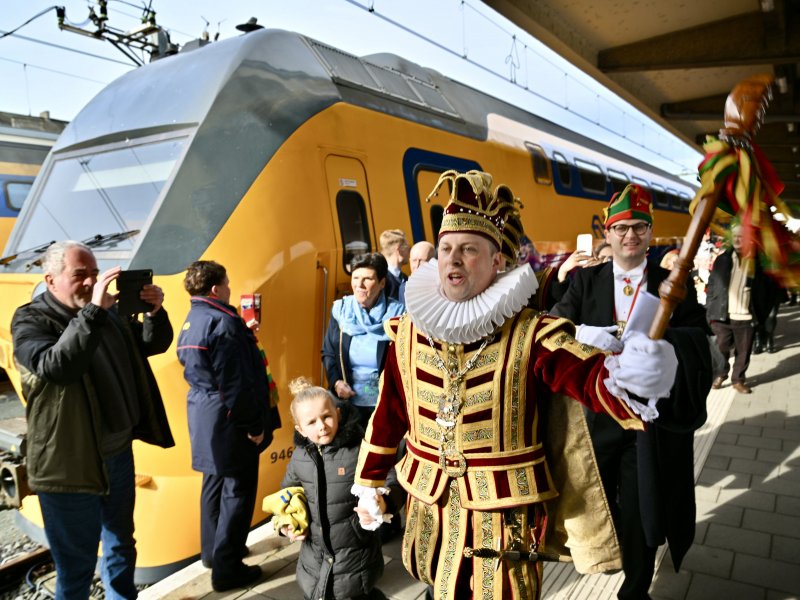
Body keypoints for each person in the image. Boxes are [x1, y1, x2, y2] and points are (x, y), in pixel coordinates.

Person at [352, 170, 685, 600]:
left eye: (469, 249)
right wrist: (372, 481)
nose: (452, 259)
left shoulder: (532, 334)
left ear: (497, 264)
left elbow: (588, 377)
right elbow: (390, 411)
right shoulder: (409, 332)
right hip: (431, 514)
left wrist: (634, 376)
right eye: (447, 248)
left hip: (503, 522)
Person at [550, 184, 712, 600]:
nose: (630, 236)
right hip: (594, 416)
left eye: (640, 227)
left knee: (643, 504)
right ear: (608, 233)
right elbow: (552, 329)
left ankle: (636, 588)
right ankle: (604, 555)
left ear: (650, 233)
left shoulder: (670, 283)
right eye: (621, 228)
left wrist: (667, 349)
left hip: (645, 421)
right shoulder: (585, 282)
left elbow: (699, 337)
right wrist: (581, 333)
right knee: (595, 499)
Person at [11, 240, 175, 600]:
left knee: (120, 543)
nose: (91, 283)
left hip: (116, 455)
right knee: (76, 566)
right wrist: (94, 314)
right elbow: (55, 367)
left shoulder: (107, 312)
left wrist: (154, 313)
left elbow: (151, 344)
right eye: (80, 275)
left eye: (95, 274)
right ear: (51, 280)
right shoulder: (30, 320)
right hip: (69, 465)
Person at [176, 261, 281, 592]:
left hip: (203, 415)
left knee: (213, 484)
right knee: (238, 490)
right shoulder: (223, 323)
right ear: (215, 289)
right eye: (227, 282)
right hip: (228, 420)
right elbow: (235, 383)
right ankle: (228, 568)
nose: (230, 286)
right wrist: (254, 424)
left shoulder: (192, 320)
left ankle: (213, 552)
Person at [278, 377, 404, 600]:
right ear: (300, 429)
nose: (322, 426)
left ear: (337, 413)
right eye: (312, 422)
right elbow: (287, 496)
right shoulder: (299, 458)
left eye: (326, 416)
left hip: (356, 559)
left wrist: (382, 501)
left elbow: (390, 479)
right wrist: (286, 524)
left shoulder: (359, 449)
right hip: (314, 563)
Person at [322, 252, 404, 427]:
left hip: (386, 406)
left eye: (367, 279)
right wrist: (336, 382)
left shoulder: (398, 315)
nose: (359, 285)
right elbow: (328, 352)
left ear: (382, 283)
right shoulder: (341, 310)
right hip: (349, 406)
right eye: (355, 277)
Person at [706, 224, 763, 393]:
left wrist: (760, 314)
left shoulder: (757, 262)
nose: (738, 239)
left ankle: (738, 380)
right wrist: (710, 308)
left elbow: (764, 291)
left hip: (746, 316)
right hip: (722, 314)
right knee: (721, 347)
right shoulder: (723, 258)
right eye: (735, 236)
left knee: (743, 351)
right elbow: (712, 284)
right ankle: (721, 373)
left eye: (742, 236)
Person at [379, 229, 410, 300]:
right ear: (399, 251)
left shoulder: (403, 277)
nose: (409, 253)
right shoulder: (383, 279)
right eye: (408, 248)